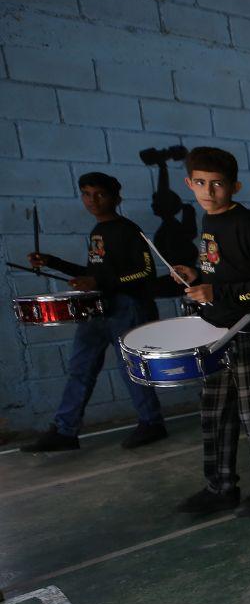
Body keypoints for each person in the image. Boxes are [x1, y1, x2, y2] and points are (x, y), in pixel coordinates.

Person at [173, 147, 250, 517]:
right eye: (200, 183)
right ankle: (220, 486)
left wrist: (219, 292)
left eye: (218, 184)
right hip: (217, 330)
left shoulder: (246, 222)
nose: (208, 191)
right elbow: (223, 269)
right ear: (188, 183)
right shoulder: (208, 221)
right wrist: (196, 276)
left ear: (235, 186)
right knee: (214, 412)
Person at [23, 172, 167, 452]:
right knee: (81, 368)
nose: (93, 200)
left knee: (131, 370)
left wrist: (99, 282)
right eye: (87, 194)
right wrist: (53, 262)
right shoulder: (97, 232)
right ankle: (65, 431)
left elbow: (146, 272)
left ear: (116, 197)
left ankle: (152, 423)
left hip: (128, 307)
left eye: (99, 194)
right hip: (98, 308)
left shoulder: (128, 230)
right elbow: (94, 273)